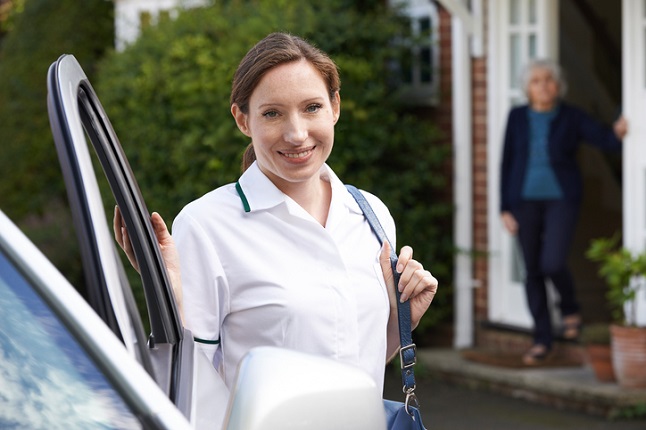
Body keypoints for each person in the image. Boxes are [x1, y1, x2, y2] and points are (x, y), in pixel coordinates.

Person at [115, 32, 438, 422]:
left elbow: (352, 360)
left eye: (312, 107)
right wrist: (169, 301)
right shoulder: (207, 226)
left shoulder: (370, 213)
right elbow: (184, 384)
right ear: (242, 119)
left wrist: (403, 321)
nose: (297, 133)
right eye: (272, 113)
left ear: (335, 107)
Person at [500, 58, 628, 365]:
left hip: (562, 199)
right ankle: (542, 338)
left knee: (553, 262)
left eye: (549, 80)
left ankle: (570, 307)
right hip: (523, 201)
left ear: (558, 86)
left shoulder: (570, 117)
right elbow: (506, 162)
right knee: (532, 268)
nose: (543, 85)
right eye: (536, 81)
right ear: (527, 88)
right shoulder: (517, 117)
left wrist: (621, 129)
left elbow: (605, 139)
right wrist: (504, 207)